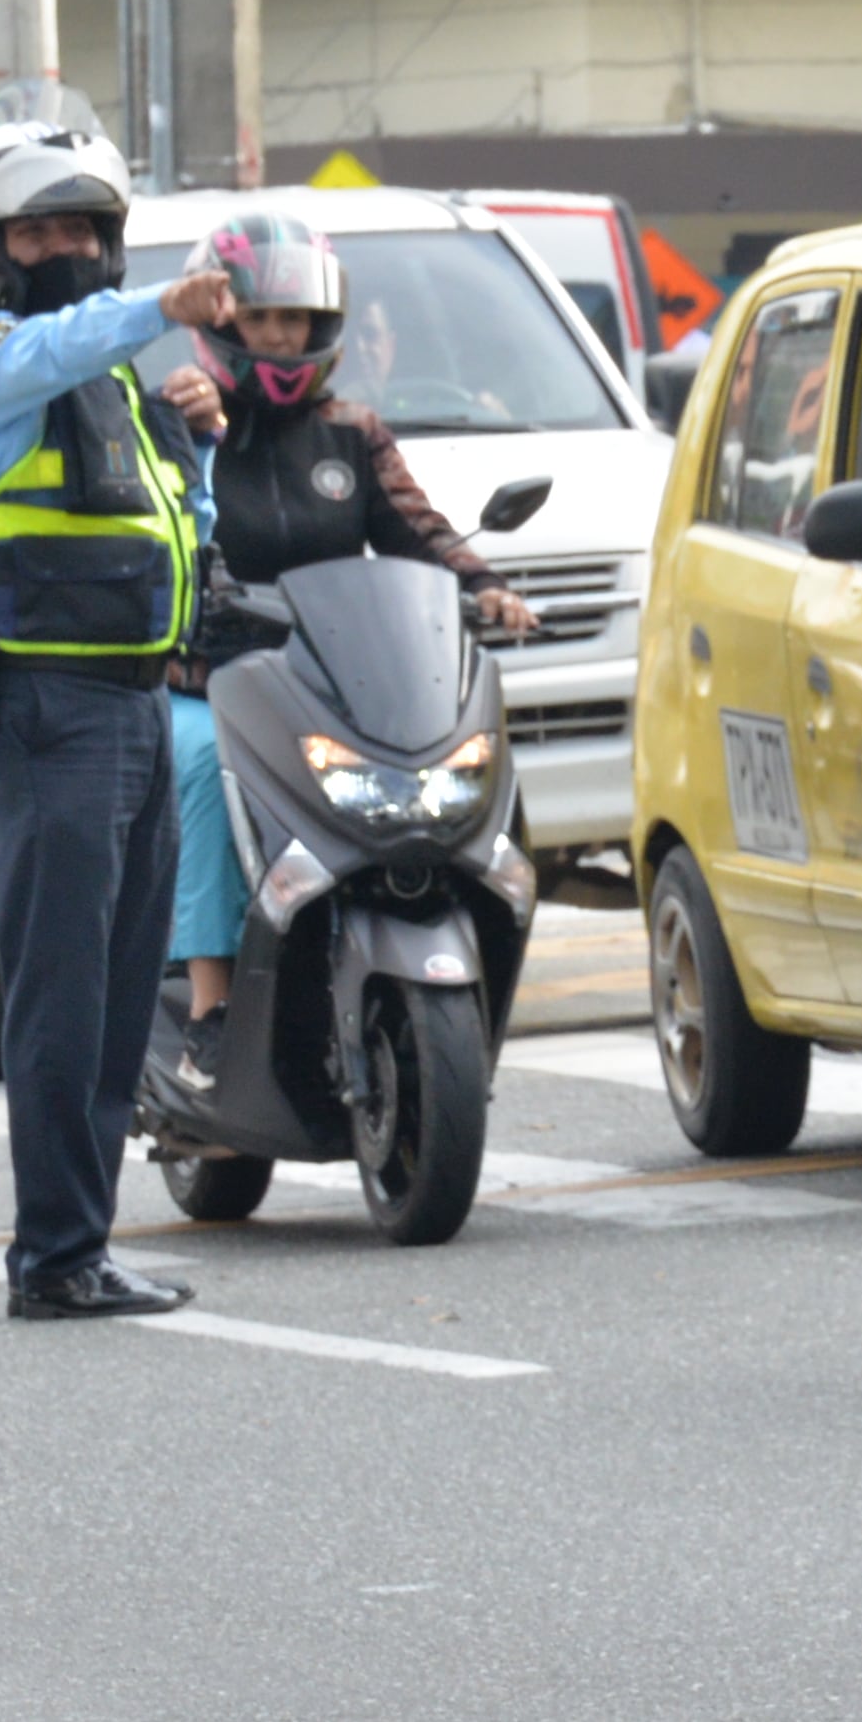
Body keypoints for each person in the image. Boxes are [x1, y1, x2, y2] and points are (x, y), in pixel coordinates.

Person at [0, 117, 226, 1318]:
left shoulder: (114, 391)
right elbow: (66, 339)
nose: (65, 247)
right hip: (51, 711)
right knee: (59, 991)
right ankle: (51, 1256)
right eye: (37, 228)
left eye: (84, 229)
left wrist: (198, 450)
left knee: (112, 994)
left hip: (138, 708)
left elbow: (183, 544)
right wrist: (168, 305)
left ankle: (81, 1241)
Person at [155, 211, 534, 1097]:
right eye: (260, 321)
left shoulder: (352, 433)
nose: (280, 338)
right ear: (220, 324)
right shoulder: (181, 418)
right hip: (209, 680)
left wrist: (485, 587)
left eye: (296, 321)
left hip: (326, 681)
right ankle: (209, 1011)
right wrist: (201, 440)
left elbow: (416, 530)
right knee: (207, 764)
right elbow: (167, 527)